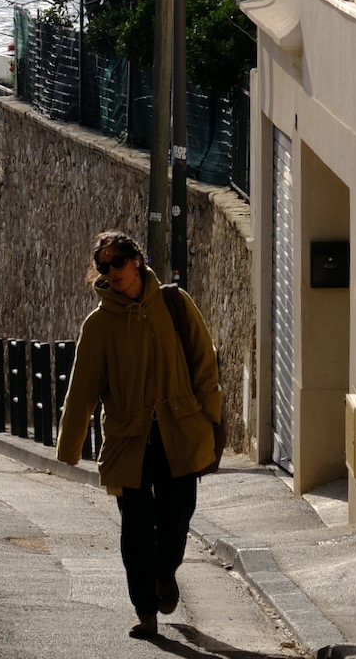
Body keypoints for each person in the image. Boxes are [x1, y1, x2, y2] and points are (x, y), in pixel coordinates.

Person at [56, 230, 223, 641]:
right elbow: (82, 389)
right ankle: (146, 611)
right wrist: (69, 448)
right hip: (127, 440)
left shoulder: (174, 303)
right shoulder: (98, 325)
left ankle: (165, 574)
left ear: (136, 260)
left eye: (117, 261)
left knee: (176, 519)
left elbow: (204, 361)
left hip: (179, 432)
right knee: (135, 530)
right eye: (103, 265)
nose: (111, 271)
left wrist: (209, 416)